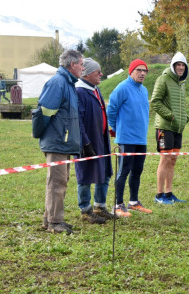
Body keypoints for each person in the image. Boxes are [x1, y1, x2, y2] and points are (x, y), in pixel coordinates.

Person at [36, 50, 84, 234]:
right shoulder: (58, 83)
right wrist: (49, 135)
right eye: (81, 64)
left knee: (60, 181)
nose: (82, 67)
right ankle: (55, 222)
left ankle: (50, 219)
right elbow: (44, 112)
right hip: (56, 141)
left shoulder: (68, 83)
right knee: (57, 182)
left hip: (62, 142)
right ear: (72, 64)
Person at [107, 59, 153, 217]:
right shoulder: (122, 88)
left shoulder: (144, 90)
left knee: (137, 170)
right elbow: (111, 110)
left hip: (141, 138)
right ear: (131, 71)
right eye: (138, 70)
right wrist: (115, 129)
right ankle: (117, 204)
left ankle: (133, 202)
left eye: (144, 71)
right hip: (126, 138)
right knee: (123, 170)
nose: (142, 73)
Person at [75, 58, 115, 224]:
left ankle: (100, 206)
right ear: (87, 73)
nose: (101, 74)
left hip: (102, 139)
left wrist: (109, 128)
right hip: (88, 142)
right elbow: (78, 120)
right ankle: (85, 209)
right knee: (85, 175)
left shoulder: (96, 90)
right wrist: (85, 143)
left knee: (104, 173)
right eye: (98, 71)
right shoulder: (80, 92)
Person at [151, 52, 189, 204]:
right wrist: (170, 116)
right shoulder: (163, 79)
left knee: (173, 160)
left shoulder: (182, 84)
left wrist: (184, 118)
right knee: (165, 159)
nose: (180, 67)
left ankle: (169, 193)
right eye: (178, 65)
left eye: (183, 65)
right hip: (165, 127)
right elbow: (155, 101)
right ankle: (159, 195)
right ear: (173, 66)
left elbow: (181, 105)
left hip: (178, 128)